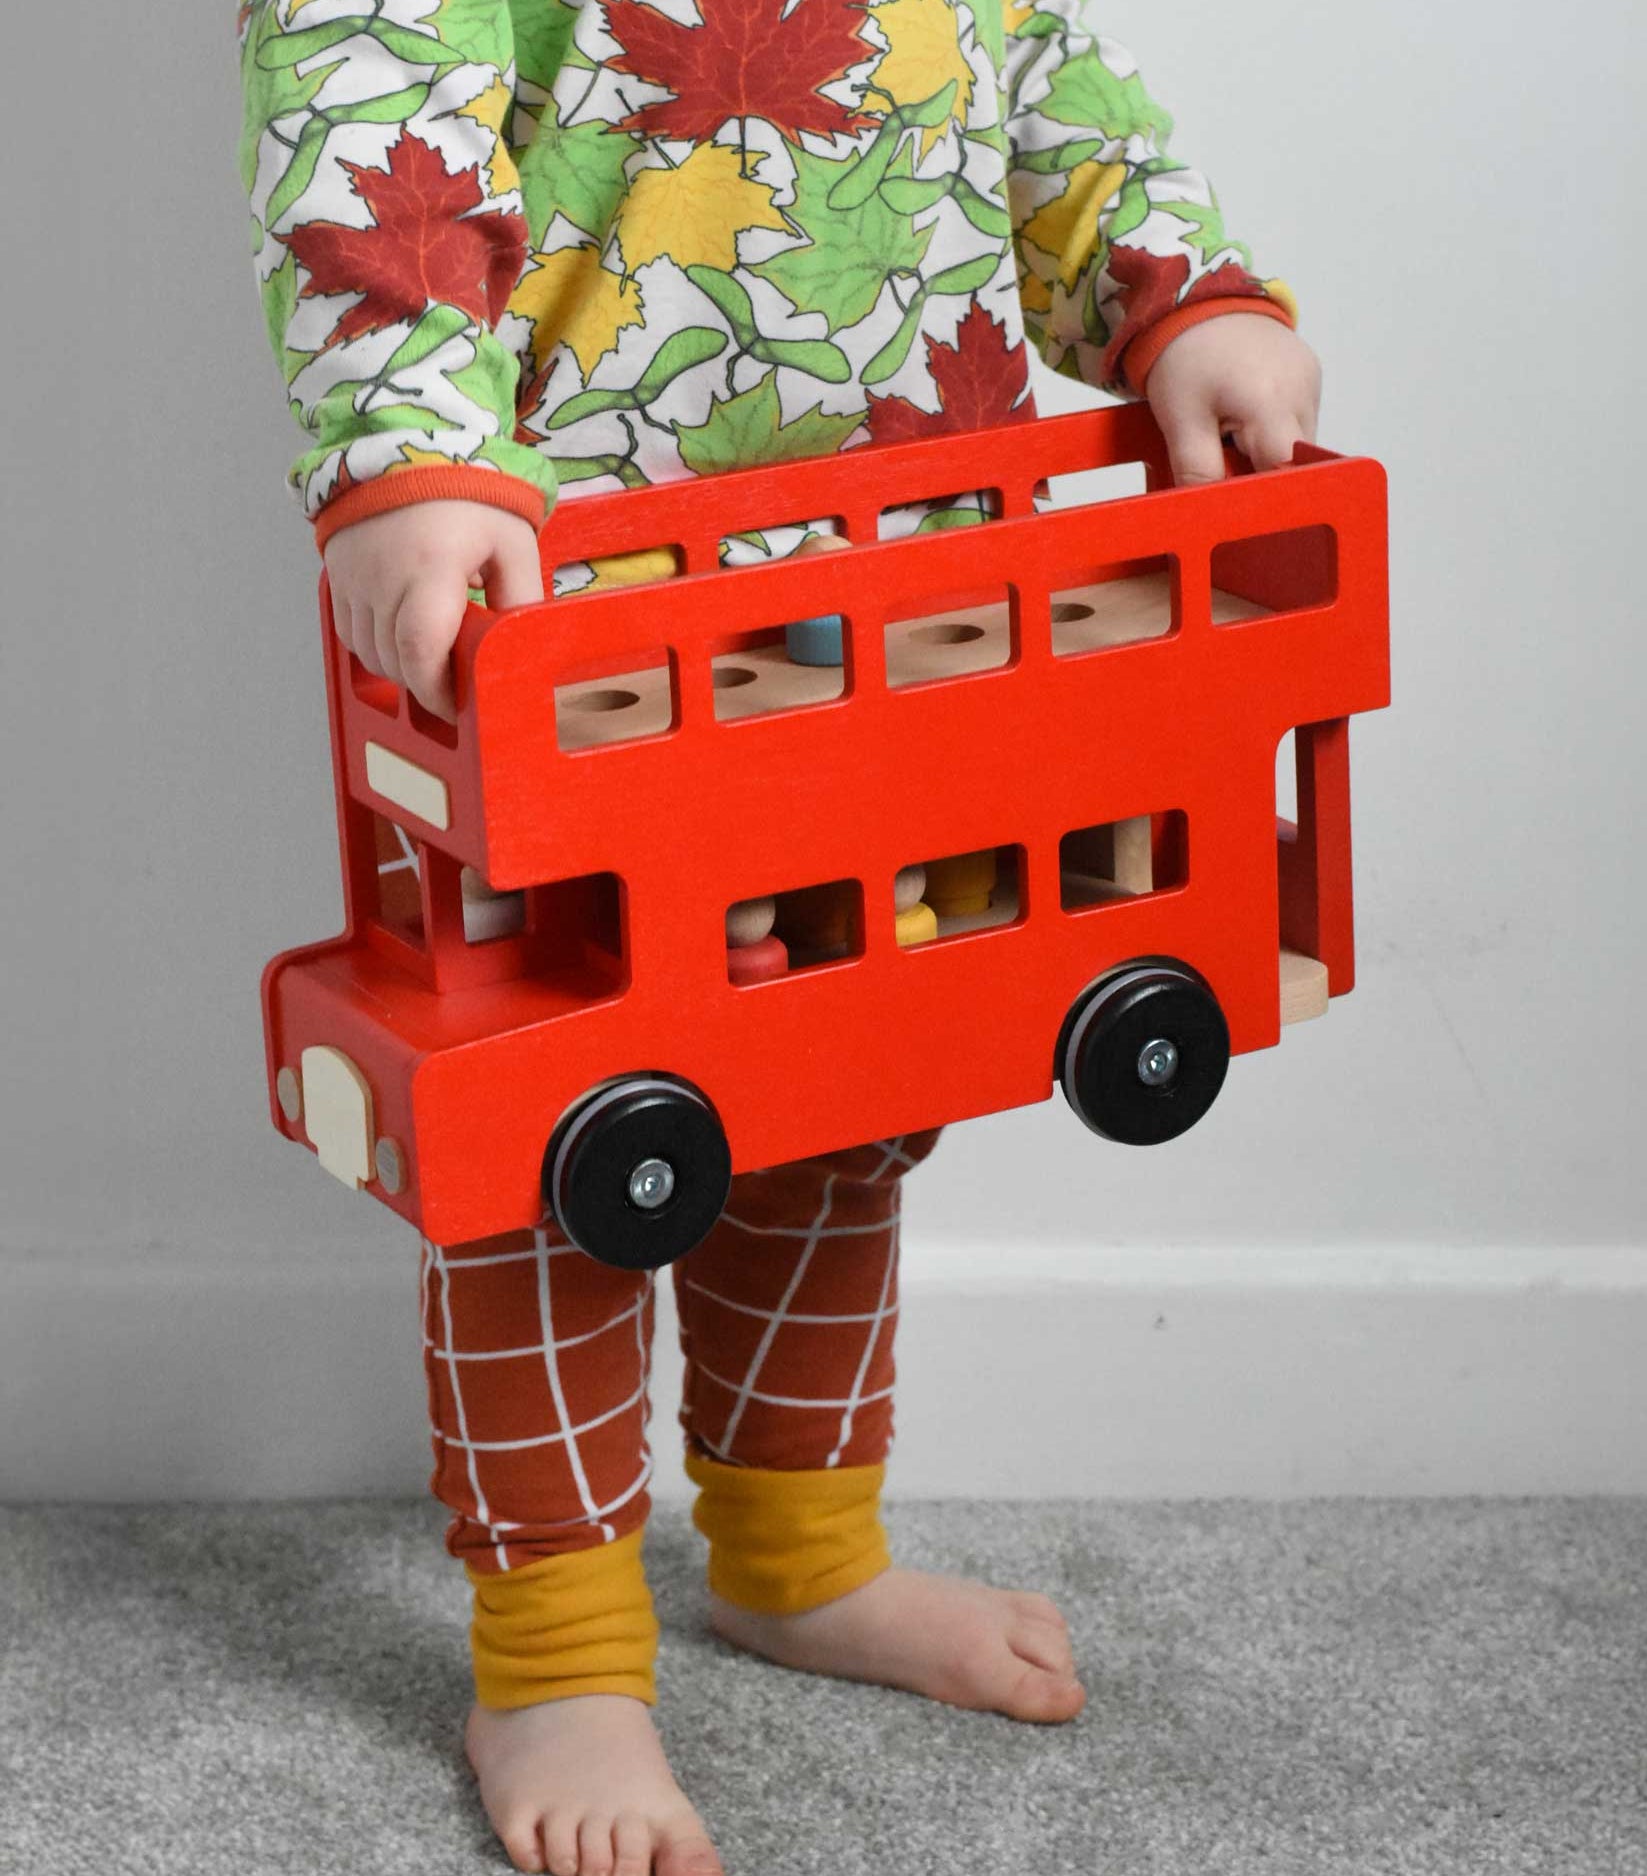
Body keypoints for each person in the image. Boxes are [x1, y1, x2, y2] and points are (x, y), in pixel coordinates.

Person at [237, 2, 1320, 1870]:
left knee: (845, 1064)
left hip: (899, 569)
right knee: (564, 1122)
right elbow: (363, 79)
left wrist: (1176, 287)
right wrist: (402, 451)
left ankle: (801, 1549)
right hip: (564, 602)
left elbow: (1035, 67)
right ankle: (556, 1652)